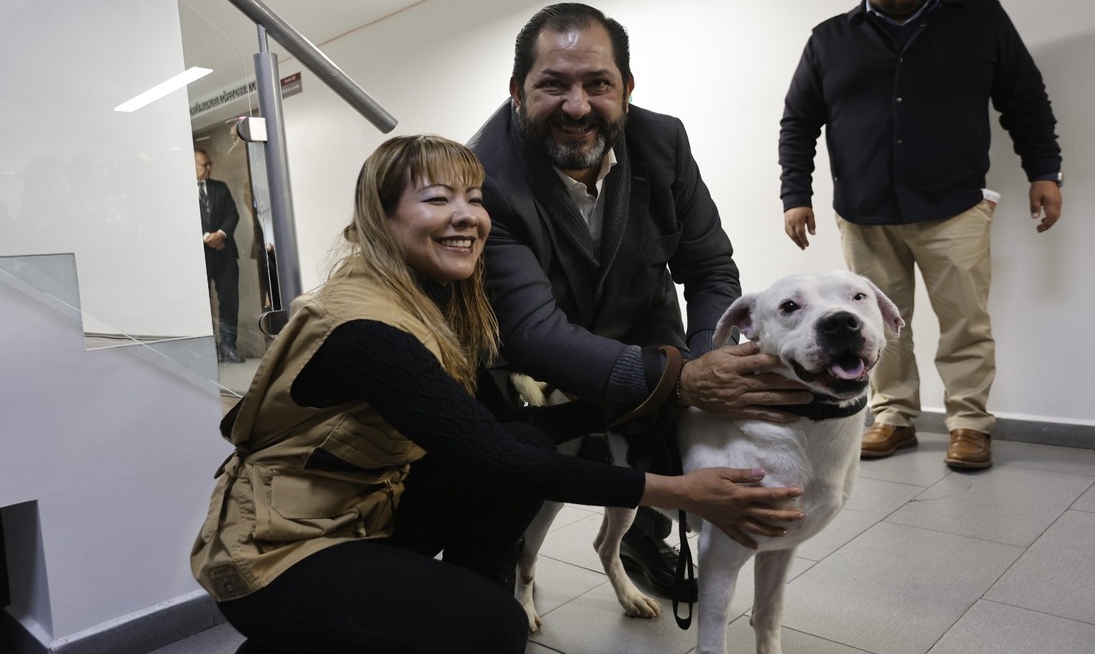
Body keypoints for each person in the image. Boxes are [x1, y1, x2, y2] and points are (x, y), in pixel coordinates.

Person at [190, 135, 805, 653]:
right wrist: (677, 492)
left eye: (474, 199)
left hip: (359, 515)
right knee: (495, 623)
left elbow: (504, 426)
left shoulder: (432, 301)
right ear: (381, 219)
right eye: (437, 199)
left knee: (520, 437)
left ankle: (438, 605)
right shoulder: (366, 328)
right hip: (276, 552)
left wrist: (651, 400)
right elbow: (492, 455)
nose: (468, 216)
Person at [469, 3, 813, 601]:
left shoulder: (664, 140)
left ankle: (645, 537)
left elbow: (708, 268)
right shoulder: (484, 176)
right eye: (552, 84)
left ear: (626, 89)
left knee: (675, 432)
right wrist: (683, 379)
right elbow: (533, 330)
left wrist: (709, 360)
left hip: (640, 329)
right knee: (519, 457)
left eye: (597, 83)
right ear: (518, 92)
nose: (577, 106)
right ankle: (503, 556)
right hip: (526, 360)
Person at [778, 0, 1064, 470]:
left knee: (966, 323)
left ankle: (969, 425)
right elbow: (798, 122)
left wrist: (1044, 172)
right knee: (875, 326)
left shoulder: (981, 19)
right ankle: (893, 417)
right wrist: (796, 194)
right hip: (863, 214)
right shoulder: (829, 40)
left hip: (953, 207)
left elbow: (1026, 102)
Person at [195, 147, 245, 363]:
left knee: (229, 300)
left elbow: (232, 213)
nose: (209, 168)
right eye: (204, 164)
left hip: (224, 253)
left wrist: (221, 234)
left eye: (209, 164)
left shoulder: (220, 187)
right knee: (202, 303)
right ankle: (205, 349)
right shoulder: (179, 192)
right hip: (199, 256)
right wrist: (207, 237)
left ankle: (228, 347)